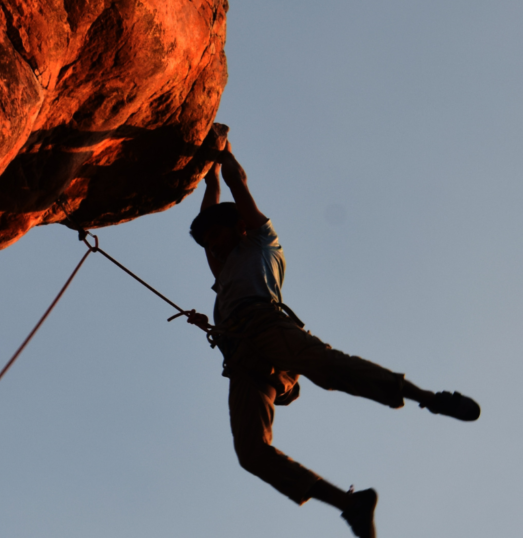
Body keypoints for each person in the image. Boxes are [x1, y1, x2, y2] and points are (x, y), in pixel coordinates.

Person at [185, 140, 480, 538]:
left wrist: (222, 156)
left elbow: (239, 187)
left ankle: (429, 398)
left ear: (238, 225)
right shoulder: (222, 269)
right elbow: (210, 214)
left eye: (216, 236)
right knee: (251, 453)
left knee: (327, 368)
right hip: (241, 356)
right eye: (208, 243)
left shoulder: (260, 241)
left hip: (266, 327)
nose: (212, 246)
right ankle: (349, 504)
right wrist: (208, 182)